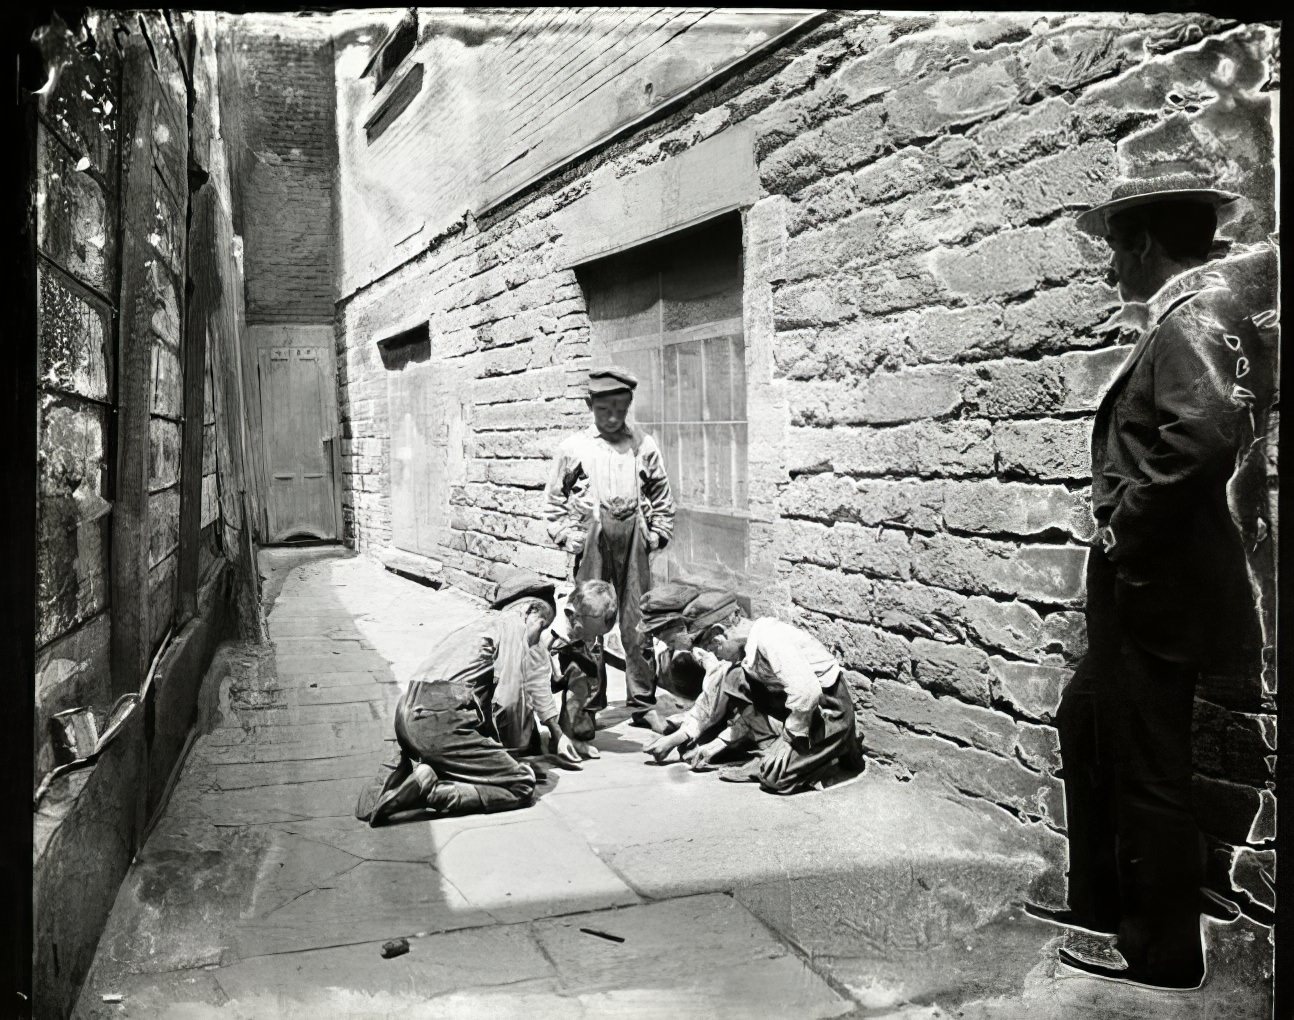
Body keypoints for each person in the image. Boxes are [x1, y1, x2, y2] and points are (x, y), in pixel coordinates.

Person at [1030, 174, 1276, 990]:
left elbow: (1201, 439)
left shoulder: (1187, 323)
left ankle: (1162, 949)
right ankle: (1102, 900)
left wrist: (1124, 526)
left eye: (1112, 252)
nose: (1109, 273)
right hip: (1144, 575)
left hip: (1151, 578)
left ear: (1139, 246)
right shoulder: (1187, 318)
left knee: (1148, 762)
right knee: (1087, 720)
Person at [355, 572, 618, 827]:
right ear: (529, 613)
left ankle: (399, 778)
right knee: (522, 784)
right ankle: (432, 791)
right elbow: (507, 703)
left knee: (457, 749)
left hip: (406, 714)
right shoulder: (514, 627)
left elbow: (424, 690)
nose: (538, 637)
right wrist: (511, 761)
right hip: (442, 718)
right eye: (540, 627)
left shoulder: (476, 626)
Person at [543, 367, 676, 733]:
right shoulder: (574, 449)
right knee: (589, 622)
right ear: (590, 405)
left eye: (621, 408)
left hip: (634, 541)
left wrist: (657, 534)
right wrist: (567, 535)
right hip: (594, 542)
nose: (614, 417)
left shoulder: (643, 444)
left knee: (638, 622)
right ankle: (585, 706)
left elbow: (661, 497)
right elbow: (554, 501)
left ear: (629, 405)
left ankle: (643, 702)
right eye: (605, 410)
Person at [645, 611, 866, 793]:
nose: (719, 659)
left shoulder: (770, 640)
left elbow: (808, 692)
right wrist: (716, 743)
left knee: (773, 777)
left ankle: (838, 746)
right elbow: (724, 698)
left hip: (828, 710)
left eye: (716, 652)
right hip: (801, 711)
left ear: (718, 637)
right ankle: (792, 753)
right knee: (731, 681)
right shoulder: (745, 654)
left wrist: (788, 739)